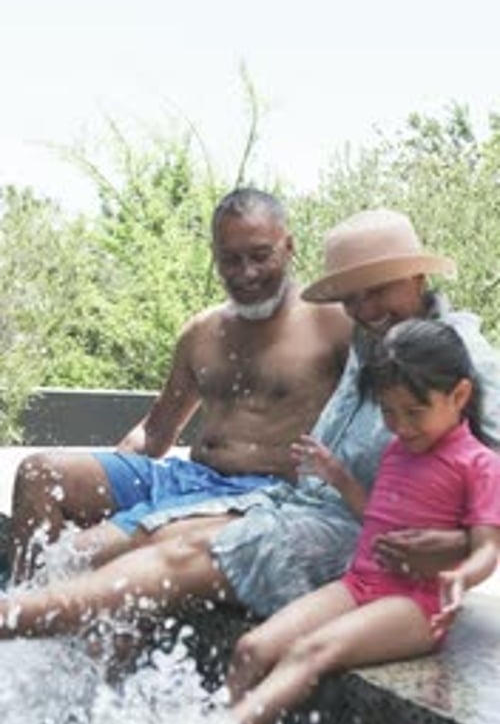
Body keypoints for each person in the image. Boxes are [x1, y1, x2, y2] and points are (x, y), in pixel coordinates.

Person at [0, 209, 499, 645]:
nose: (365, 309)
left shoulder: (461, 359)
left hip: (362, 538)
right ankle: (80, 697)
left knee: (182, 553)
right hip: (294, 505)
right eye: (351, 296)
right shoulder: (375, 337)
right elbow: (155, 431)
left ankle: (12, 619)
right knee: (155, 538)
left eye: (379, 290)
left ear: (417, 277)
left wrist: (465, 547)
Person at [114, 319, 500, 724]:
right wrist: (338, 477)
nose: (400, 426)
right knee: (252, 649)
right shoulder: (401, 449)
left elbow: (488, 549)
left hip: (416, 603)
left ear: (459, 396)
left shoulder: (479, 464)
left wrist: (461, 575)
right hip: (360, 584)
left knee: (310, 652)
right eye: (390, 413)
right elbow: (377, 517)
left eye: (413, 412)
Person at [10, 187, 351, 580]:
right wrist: (115, 468)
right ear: (215, 255)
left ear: (288, 246)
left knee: (86, 551)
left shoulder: (332, 324)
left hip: (265, 495)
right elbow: (156, 431)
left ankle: (31, 617)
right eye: (231, 259)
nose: (246, 272)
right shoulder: (202, 331)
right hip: (188, 478)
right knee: (40, 473)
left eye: (260, 255)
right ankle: (22, 615)